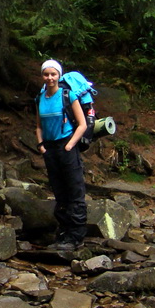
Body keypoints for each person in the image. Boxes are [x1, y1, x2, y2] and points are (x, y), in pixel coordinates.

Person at [35, 59, 88, 251]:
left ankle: (76, 236)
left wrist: (70, 145)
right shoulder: (40, 98)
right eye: (46, 74)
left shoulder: (67, 95)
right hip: (49, 149)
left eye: (53, 74)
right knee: (59, 192)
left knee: (74, 190)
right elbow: (39, 125)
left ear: (59, 75)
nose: (49, 78)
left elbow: (82, 124)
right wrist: (41, 145)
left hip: (66, 146)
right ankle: (64, 232)